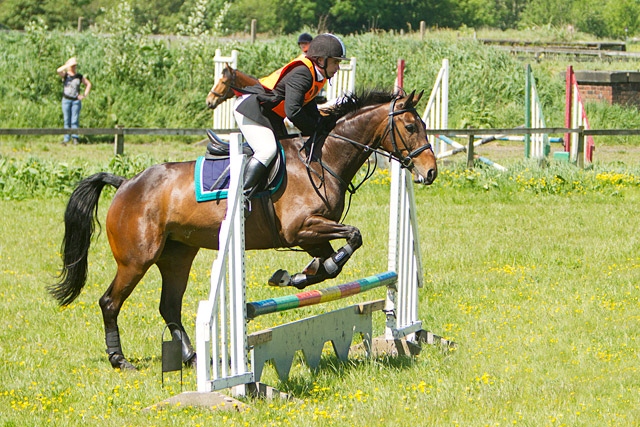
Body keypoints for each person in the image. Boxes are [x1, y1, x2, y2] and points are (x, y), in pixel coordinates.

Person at [231, 33, 347, 196]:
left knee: (285, 152)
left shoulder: (316, 75)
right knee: (268, 150)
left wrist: (323, 125)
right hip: (250, 108)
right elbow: (293, 112)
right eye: (336, 62)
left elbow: (308, 106)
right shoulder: (303, 73)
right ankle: (240, 196)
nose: (338, 67)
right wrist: (315, 128)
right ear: (321, 60)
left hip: (268, 113)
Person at [56, 57, 92, 145]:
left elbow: (88, 84)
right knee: (66, 120)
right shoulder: (65, 75)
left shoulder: (79, 76)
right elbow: (58, 71)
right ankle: (66, 138)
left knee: (74, 120)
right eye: (72, 66)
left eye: (75, 66)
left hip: (76, 101)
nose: (74, 67)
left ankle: (75, 137)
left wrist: (84, 95)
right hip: (66, 100)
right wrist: (67, 65)